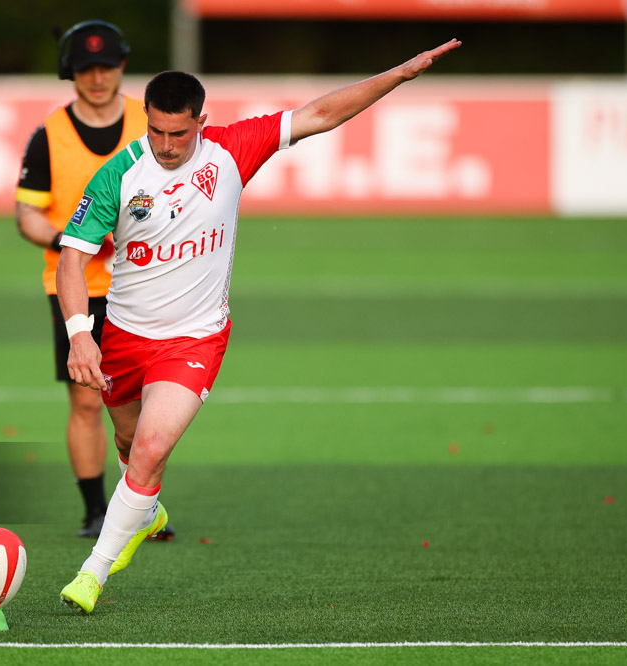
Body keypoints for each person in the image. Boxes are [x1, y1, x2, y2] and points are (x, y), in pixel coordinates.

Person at [55, 38, 462, 613]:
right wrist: (79, 332)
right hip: (122, 336)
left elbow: (320, 113)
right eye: (158, 132)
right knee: (128, 443)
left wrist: (397, 74)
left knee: (149, 448)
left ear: (203, 119)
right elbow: (71, 256)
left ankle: (93, 571)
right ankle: (144, 511)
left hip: (195, 339)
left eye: (181, 133)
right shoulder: (117, 177)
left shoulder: (230, 152)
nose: (169, 146)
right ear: (146, 119)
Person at [14, 20, 174, 541]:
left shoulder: (150, 123)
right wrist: (72, 238)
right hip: (76, 284)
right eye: (86, 68)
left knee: (150, 403)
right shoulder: (49, 136)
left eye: (107, 66)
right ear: (70, 73)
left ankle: (141, 509)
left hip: (145, 283)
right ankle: (95, 512)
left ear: (123, 66)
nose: (99, 77)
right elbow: (27, 215)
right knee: (87, 399)